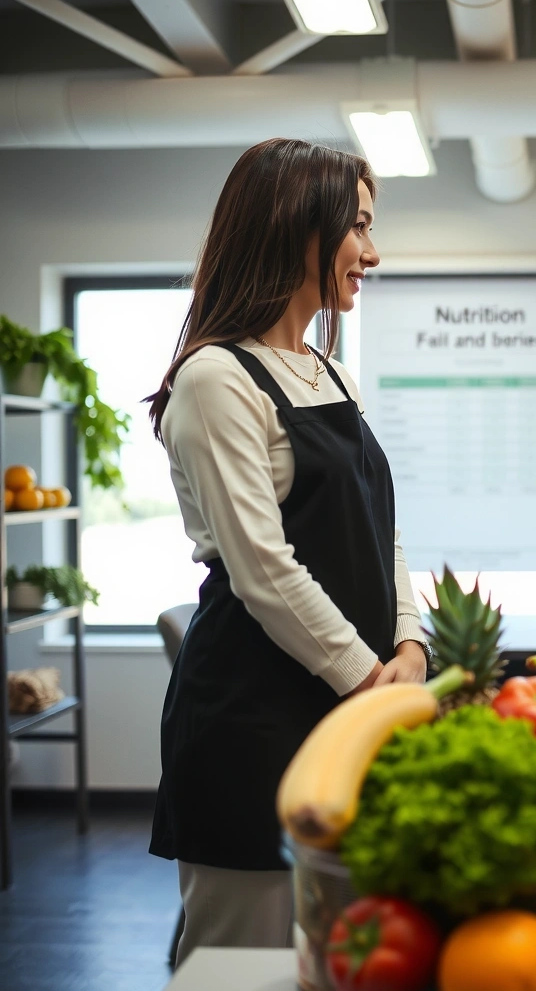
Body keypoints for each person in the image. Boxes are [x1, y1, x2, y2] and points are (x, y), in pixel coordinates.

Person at [146, 138, 428, 965]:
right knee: (248, 964)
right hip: (255, 717)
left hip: (354, 703)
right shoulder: (215, 380)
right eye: (360, 227)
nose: (372, 253)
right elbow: (262, 570)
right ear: (297, 226)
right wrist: (371, 680)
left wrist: (410, 643)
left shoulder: (327, 372)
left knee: (346, 960)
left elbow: (385, 529)